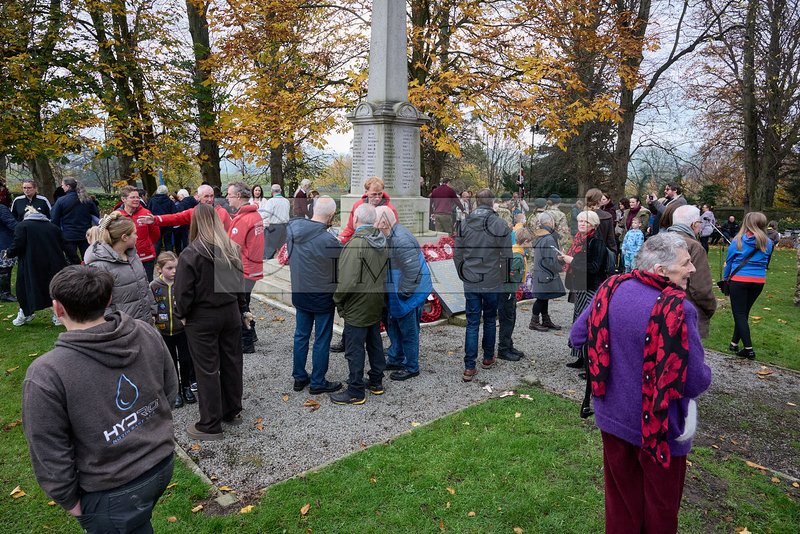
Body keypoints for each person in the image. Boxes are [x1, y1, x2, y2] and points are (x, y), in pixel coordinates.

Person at [569, 232, 712, 534]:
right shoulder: (679, 310)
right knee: (660, 510)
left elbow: (578, 336)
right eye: (686, 263)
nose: (692, 269)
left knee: (621, 503)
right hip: (660, 426)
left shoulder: (611, 287)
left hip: (612, 415)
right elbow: (694, 383)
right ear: (661, 270)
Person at [22, 265, 178, 534]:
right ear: (108, 300)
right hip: (161, 463)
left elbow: (47, 448)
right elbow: (169, 391)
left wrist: (71, 503)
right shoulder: (145, 331)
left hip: (111, 490)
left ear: (57, 308)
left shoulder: (46, 373)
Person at [175, 203, 247, 439]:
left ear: (194, 223)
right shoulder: (231, 249)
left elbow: (183, 292)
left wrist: (181, 314)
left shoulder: (191, 254)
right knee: (232, 362)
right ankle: (232, 411)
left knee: (206, 370)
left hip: (202, 317)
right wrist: (242, 309)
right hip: (230, 313)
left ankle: (210, 424)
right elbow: (240, 286)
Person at [331, 203, 389, 404]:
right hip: (375, 299)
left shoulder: (356, 244)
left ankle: (355, 391)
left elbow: (348, 280)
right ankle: (376, 382)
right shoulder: (381, 240)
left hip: (358, 303)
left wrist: (338, 299)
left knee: (355, 348)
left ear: (355, 219)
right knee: (374, 342)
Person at [286, 196, 343, 394]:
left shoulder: (292, 230)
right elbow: (339, 269)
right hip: (321, 296)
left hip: (301, 292)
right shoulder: (329, 241)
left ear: (313, 209)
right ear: (332, 215)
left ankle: (299, 377)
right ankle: (318, 381)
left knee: (301, 335)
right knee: (321, 339)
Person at [454, 188, 512, 381]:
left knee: (473, 323)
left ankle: (470, 366)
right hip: (491, 279)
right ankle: (486, 358)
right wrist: (504, 278)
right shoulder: (499, 223)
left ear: (477, 203)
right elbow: (507, 256)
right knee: (488, 319)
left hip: (473, 278)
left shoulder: (465, 223)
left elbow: (457, 254)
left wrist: (463, 273)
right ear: (492, 203)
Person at [375, 206, 433, 381]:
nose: (372, 224)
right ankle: (396, 358)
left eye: (374, 221)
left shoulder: (401, 240)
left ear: (383, 222)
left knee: (409, 331)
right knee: (394, 325)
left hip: (410, 293)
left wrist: (402, 295)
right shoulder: (390, 235)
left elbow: (413, 273)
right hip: (400, 290)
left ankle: (411, 366)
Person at [84, 212, 156, 324]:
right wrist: (113, 323)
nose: (137, 236)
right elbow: (97, 301)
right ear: (124, 237)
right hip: (121, 327)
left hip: (143, 324)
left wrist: (152, 311)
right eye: (134, 233)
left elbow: (145, 284)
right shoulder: (99, 265)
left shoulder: (133, 256)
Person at [558, 210, 607, 372]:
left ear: (593, 224)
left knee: (588, 322)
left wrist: (571, 261)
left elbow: (594, 267)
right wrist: (564, 259)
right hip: (579, 285)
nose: (582, 224)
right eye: (580, 221)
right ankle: (580, 356)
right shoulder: (578, 240)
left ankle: (590, 362)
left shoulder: (596, 241)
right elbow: (576, 262)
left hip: (591, 286)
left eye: (585, 222)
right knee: (578, 319)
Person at [8, 206, 73, 326]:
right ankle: (57, 315)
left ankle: (25, 313)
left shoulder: (22, 226)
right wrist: (75, 260)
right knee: (54, 288)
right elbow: (66, 244)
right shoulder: (53, 227)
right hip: (54, 262)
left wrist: (9, 253)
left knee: (24, 289)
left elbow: (18, 244)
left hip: (31, 263)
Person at [724, 212, 773, 360]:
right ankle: (734, 343)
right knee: (743, 312)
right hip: (758, 281)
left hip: (739, 280)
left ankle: (748, 349)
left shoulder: (738, 241)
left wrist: (725, 279)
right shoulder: (768, 242)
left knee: (739, 313)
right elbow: (767, 261)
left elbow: (729, 262)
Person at [151, 251, 197, 408]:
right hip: (164, 332)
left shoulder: (183, 283)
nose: (174, 271)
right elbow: (150, 303)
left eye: (176, 267)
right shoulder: (154, 286)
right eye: (169, 268)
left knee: (185, 360)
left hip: (182, 331)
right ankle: (175, 390)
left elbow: (191, 301)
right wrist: (153, 315)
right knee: (170, 362)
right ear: (159, 269)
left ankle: (187, 387)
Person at [226, 180, 265, 353]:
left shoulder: (243, 219)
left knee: (240, 305)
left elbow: (232, 248)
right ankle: (251, 333)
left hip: (244, 269)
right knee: (245, 302)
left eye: (229, 195)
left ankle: (246, 342)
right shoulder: (255, 215)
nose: (227, 198)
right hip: (252, 267)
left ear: (238, 196)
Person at [667, 206, 717, 339]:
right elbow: (701, 288)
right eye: (699, 222)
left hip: (657, 310)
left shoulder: (656, 241)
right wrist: (710, 307)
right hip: (685, 313)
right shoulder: (694, 247)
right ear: (694, 224)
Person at [528, 212, 566, 331]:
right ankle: (534, 321)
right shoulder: (549, 238)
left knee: (544, 297)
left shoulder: (539, 236)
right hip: (546, 272)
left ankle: (545, 319)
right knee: (541, 298)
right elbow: (551, 260)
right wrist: (561, 265)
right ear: (550, 222)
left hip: (541, 271)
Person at [498, 228, 532, 360]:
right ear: (525, 242)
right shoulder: (517, 256)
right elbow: (510, 274)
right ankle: (503, 349)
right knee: (507, 321)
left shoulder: (516, 251)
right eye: (530, 242)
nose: (531, 244)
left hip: (509, 290)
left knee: (511, 319)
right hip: (507, 291)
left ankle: (508, 345)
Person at [143, 184, 232, 233]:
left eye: (211, 196)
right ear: (198, 197)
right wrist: (156, 219)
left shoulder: (222, 212)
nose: (209, 199)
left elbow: (230, 233)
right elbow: (175, 218)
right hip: (201, 252)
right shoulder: (194, 212)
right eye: (206, 196)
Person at [116, 185, 160, 281]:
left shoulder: (146, 213)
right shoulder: (117, 216)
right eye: (132, 197)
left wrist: (146, 244)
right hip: (125, 258)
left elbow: (155, 234)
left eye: (138, 197)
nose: (136, 200)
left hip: (146, 257)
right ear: (123, 199)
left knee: (147, 282)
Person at [339, 176, 399, 244]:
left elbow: (395, 232)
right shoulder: (358, 205)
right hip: (360, 243)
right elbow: (350, 229)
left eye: (380, 194)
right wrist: (340, 239)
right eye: (373, 194)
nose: (377, 198)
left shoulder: (389, 209)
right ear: (366, 192)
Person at [50, 177, 100, 260]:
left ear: (68, 186)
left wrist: (58, 234)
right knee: (87, 258)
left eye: (63, 185)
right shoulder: (87, 200)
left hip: (69, 235)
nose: (62, 187)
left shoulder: (61, 201)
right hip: (85, 234)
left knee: (71, 259)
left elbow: (54, 218)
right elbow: (96, 214)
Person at [259, 184, 291, 260]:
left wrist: (256, 217)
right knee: (282, 248)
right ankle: (283, 261)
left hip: (274, 226)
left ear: (271, 191)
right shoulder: (286, 201)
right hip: (285, 226)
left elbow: (266, 213)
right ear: (280, 190)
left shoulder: (271, 201)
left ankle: (268, 262)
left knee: (269, 248)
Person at [584, 188, 618, 254]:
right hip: (601, 253)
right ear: (599, 201)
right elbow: (611, 239)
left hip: (584, 253)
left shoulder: (582, 215)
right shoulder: (607, 216)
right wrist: (613, 253)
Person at [148, 185, 177, 256]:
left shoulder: (152, 201)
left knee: (157, 242)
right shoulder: (169, 201)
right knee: (168, 242)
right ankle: (170, 257)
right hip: (167, 223)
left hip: (156, 223)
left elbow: (148, 212)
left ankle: (155, 258)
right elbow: (174, 213)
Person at [0, 200, 17, 302]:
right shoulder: (1, 208)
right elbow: (11, 223)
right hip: (3, 243)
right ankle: (5, 294)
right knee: (5, 268)